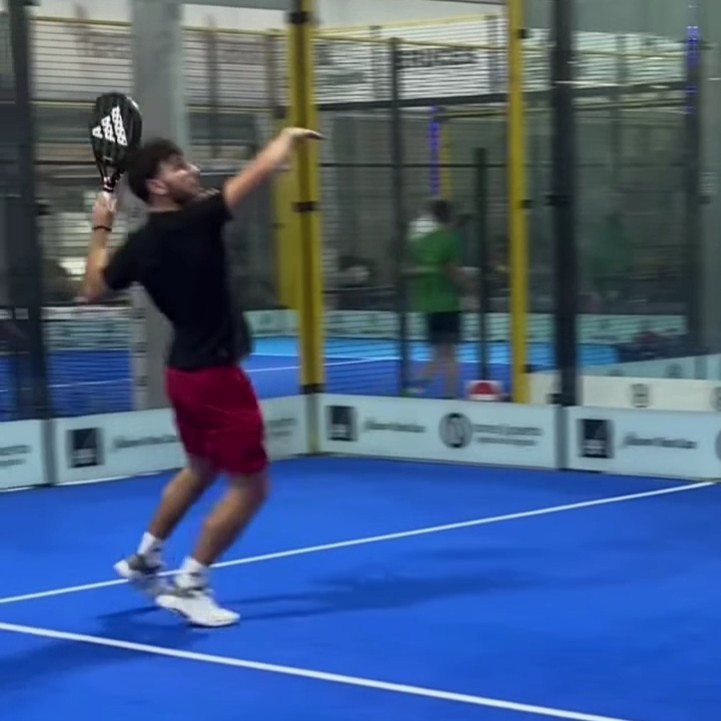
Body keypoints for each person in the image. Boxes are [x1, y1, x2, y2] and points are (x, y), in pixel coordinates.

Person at [81, 127, 321, 627]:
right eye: (178, 166)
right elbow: (258, 172)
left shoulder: (140, 245)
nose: (191, 170)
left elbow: (92, 290)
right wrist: (286, 137)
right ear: (158, 186)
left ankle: (145, 558)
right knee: (252, 488)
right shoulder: (199, 218)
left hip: (182, 375)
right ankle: (192, 585)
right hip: (215, 378)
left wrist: (101, 228)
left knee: (201, 469)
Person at [405, 199, 467, 399]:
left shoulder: (423, 242)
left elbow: (417, 268)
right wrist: (467, 289)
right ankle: (450, 395)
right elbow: (451, 270)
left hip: (429, 305)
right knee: (450, 355)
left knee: (436, 355)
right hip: (448, 304)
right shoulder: (449, 240)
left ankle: (415, 389)